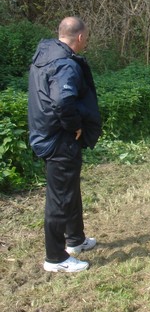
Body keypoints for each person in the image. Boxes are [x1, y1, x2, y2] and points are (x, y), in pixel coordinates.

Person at [28, 16, 102, 273]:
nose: (86, 42)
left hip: (48, 133)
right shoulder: (65, 64)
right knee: (60, 197)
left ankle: (75, 239)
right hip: (59, 138)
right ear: (80, 37)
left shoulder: (45, 55)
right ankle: (56, 258)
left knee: (69, 189)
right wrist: (75, 126)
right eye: (86, 38)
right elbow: (62, 101)